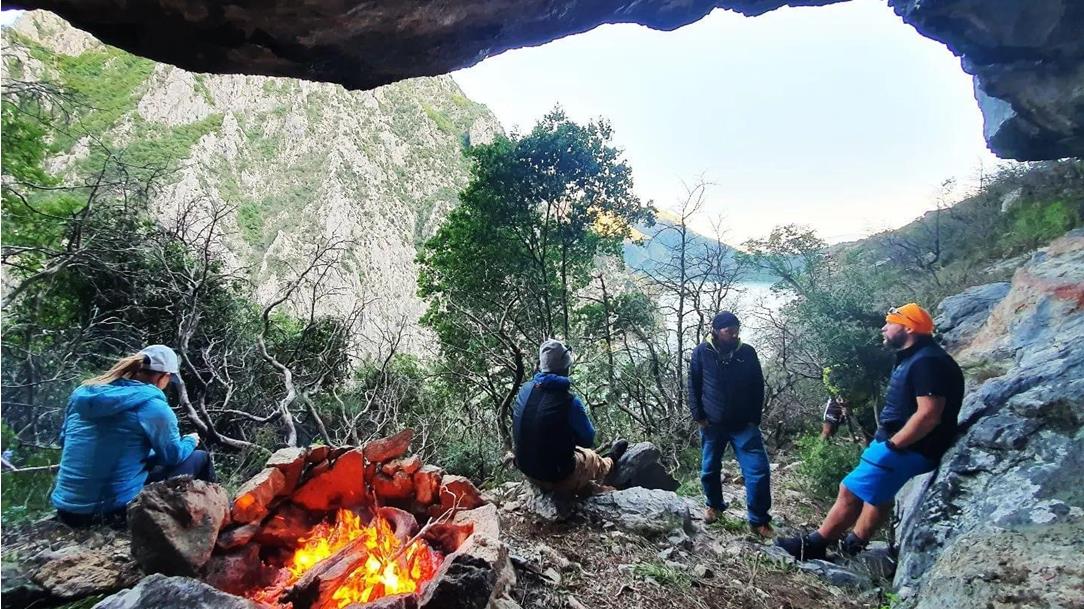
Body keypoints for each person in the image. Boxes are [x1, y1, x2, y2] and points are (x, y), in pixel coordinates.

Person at [777, 303, 964, 559]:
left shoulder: (927, 363)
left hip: (907, 447)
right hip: (906, 444)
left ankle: (814, 545)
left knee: (849, 490)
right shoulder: (919, 357)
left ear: (909, 328)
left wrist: (894, 445)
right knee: (878, 494)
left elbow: (929, 414)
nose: (884, 328)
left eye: (891, 323)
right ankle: (853, 546)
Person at [51, 345, 215, 527]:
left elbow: (65, 441)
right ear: (164, 376)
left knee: (149, 462)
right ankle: (211, 521)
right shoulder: (154, 407)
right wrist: (190, 441)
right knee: (201, 457)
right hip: (111, 512)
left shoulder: (82, 396)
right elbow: (172, 456)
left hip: (66, 510)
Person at [688, 311, 773, 537]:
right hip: (712, 424)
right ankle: (714, 506)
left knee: (758, 470)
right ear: (716, 331)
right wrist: (698, 415)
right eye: (729, 331)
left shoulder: (747, 352)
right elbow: (693, 385)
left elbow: (758, 386)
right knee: (709, 469)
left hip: (744, 425)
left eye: (736, 330)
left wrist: (754, 418)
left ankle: (759, 520)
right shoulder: (701, 352)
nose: (734, 334)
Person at [513, 339, 627, 496]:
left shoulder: (525, 389)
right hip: (555, 477)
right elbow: (588, 439)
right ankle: (611, 461)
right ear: (566, 368)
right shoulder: (569, 402)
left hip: (526, 470)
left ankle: (583, 486)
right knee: (589, 456)